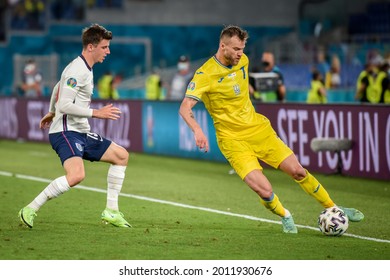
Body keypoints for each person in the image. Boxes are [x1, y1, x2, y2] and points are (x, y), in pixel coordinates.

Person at [179, 25, 364, 234]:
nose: (241, 53)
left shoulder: (244, 61)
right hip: (232, 140)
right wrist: (197, 130)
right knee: (264, 189)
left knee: (297, 171)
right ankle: (285, 214)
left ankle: (333, 207)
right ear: (223, 46)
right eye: (236, 49)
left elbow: (239, 88)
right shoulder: (205, 74)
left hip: (259, 130)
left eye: (242, 48)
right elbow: (185, 107)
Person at [18, 23, 131, 229]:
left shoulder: (82, 68)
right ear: (91, 47)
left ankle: (111, 211)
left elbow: (57, 87)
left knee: (121, 156)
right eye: (104, 47)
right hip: (65, 132)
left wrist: (52, 111)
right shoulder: (78, 70)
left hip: (79, 131)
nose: (108, 51)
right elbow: (65, 103)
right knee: (77, 175)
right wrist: (96, 113)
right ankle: (30, 208)